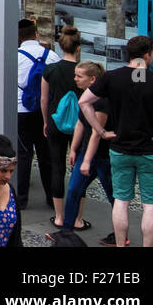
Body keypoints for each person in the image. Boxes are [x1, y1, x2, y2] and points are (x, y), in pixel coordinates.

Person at [80, 35, 153, 246]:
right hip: (151, 151)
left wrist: (101, 131)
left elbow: (84, 102)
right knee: (150, 205)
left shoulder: (111, 77)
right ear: (148, 55)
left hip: (120, 150)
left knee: (121, 201)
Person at [47, 62, 118, 246]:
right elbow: (80, 124)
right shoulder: (85, 96)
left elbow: (97, 132)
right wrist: (73, 149)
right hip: (87, 154)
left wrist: (86, 159)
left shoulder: (102, 101)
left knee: (114, 196)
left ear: (92, 79)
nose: (75, 79)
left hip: (103, 156)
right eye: (75, 75)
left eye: (79, 76)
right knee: (73, 190)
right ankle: (65, 233)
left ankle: (119, 234)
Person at [15, 17, 60, 209]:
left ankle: (22, 199)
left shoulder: (13, 56)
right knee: (46, 156)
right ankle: (52, 198)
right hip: (44, 112)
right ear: (36, 34)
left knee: (24, 155)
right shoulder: (51, 56)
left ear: (19, 37)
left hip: (21, 110)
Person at [43, 25, 84, 230]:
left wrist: (45, 121)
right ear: (78, 48)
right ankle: (77, 219)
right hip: (80, 126)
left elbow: (44, 99)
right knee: (79, 169)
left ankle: (59, 216)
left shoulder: (50, 70)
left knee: (57, 167)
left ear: (61, 47)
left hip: (55, 122)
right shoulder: (85, 71)